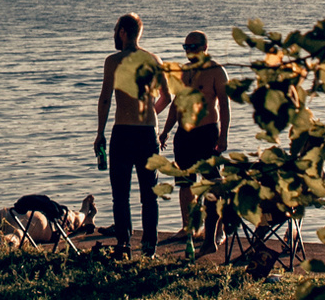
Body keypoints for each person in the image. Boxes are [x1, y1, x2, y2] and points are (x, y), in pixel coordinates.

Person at [95, 14, 170, 257]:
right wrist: (152, 116)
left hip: (123, 132)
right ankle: (149, 247)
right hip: (148, 132)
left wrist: (100, 133)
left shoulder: (113, 61)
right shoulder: (154, 59)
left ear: (124, 32)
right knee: (149, 194)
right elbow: (167, 97)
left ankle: (124, 244)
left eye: (117, 30)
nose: (116, 34)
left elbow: (106, 98)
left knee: (121, 195)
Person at [161, 30, 230, 255]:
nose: (189, 51)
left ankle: (216, 231)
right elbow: (175, 105)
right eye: (186, 47)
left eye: (193, 47)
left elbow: (224, 107)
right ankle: (188, 228)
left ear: (204, 47)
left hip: (207, 132)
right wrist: (165, 130)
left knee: (212, 182)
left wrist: (223, 136)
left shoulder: (217, 72)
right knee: (184, 183)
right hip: (184, 134)